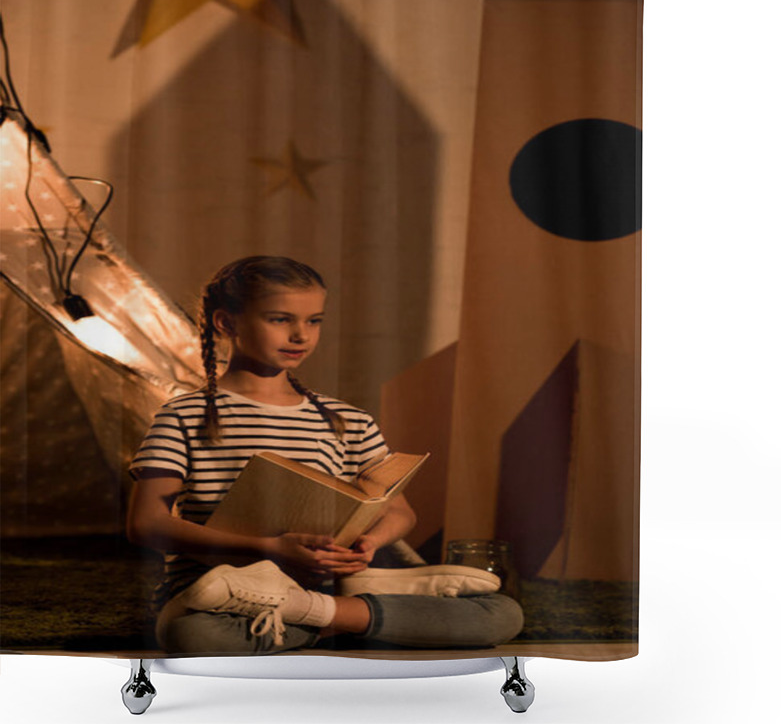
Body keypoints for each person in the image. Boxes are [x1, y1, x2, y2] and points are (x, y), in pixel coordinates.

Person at [126, 255, 524, 655]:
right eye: (280, 319)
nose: (301, 335)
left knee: (503, 613)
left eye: (314, 320)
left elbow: (399, 512)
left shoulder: (346, 420)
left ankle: (316, 610)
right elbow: (146, 524)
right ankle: (347, 616)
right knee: (192, 635)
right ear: (226, 324)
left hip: (312, 589)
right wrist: (269, 548)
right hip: (216, 598)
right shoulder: (184, 414)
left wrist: (368, 544)